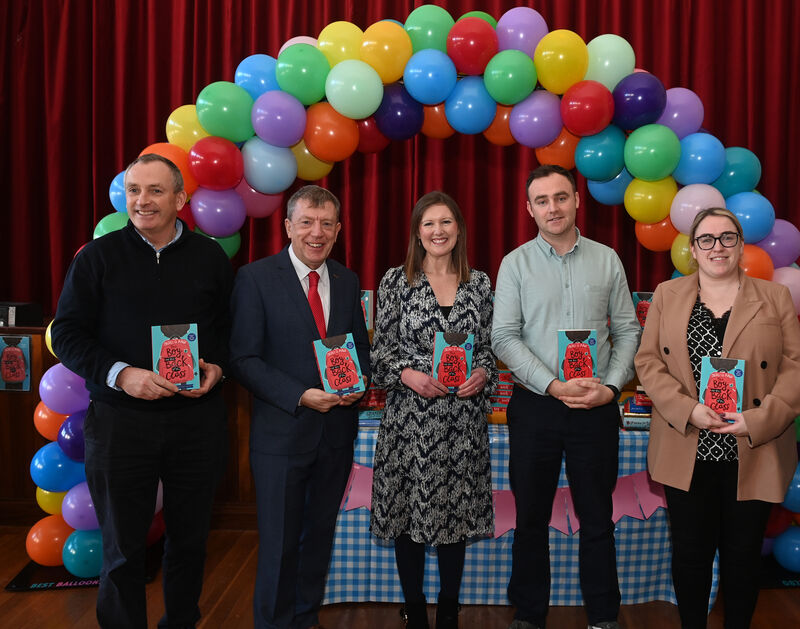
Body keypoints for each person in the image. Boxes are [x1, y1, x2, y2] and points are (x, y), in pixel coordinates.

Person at [51, 153, 233, 628]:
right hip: (118, 423)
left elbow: (231, 332)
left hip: (196, 422)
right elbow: (67, 334)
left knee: (190, 543)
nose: (142, 201)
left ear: (180, 198)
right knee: (122, 550)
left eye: (155, 191)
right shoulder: (97, 258)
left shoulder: (210, 257)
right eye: (134, 190)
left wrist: (217, 366)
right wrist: (120, 373)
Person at [634, 207, 800, 628]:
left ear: (741, 244)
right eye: (706, 239)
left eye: (727, 237)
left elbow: (794, 368)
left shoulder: (774, 297)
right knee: (690, 555)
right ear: (692, 249)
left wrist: (758, 420)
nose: (717, 247)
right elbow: (648, 362)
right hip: (686, 443)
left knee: (742, 557)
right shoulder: (666, 296)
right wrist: (687, 409)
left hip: (752, 445)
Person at [492, 165, 639, 629]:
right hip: (536, 407)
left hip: (595, 408)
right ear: (529, 208)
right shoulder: (515, 263)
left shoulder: (607, 258)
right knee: (531, 517)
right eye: (541, 200)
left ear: (577, 200)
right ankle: (530, 614)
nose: (552, 208)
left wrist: (611, 387)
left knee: (597, 518)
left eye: (560, 197)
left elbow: (629, 331)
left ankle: (602, 616)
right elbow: (504, 337)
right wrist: (552, 384)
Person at [229, 185, 370, 629]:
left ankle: (305, 620)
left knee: (317, 543)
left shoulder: (347, 280)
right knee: (280, 545)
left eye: (327, 223)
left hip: (334, 437)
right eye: (307, 222)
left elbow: (359, 350)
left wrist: (357, 386)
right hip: (282, 436)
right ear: (288, 226)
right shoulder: (254, 278)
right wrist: (300, 395)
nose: (317, 232)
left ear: (339, 230)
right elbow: (242, 358)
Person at [369, 191, 495, 629]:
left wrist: (482, 372)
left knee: (454, 517)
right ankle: (415, 610)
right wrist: (408, 375)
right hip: (409, 422)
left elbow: (490, 351)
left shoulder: (478, 283)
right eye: (429, 224)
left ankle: (448, 610)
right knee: (407, 517)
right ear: (417, 233)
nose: (438, 231)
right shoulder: (395, 281)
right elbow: (380, 353)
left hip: (461, 423)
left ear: (458, 229)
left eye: (446, 222)